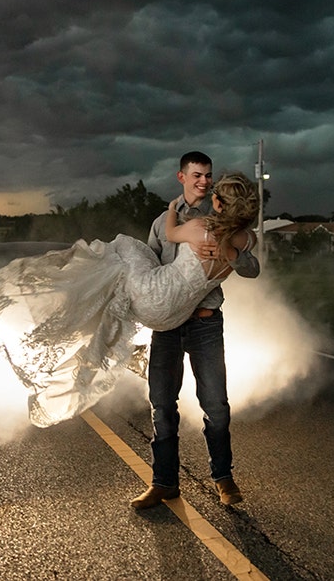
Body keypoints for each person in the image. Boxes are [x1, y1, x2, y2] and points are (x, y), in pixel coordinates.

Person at [0, 169, 260, 434]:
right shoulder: (242, 242)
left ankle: (74, 305)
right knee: (123, 271)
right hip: (171, 317)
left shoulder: (200, 228)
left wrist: (173, 209)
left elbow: (171, 233)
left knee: (125, 246)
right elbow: (249, 245)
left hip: (153, 295)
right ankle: (131, 346)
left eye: (215, 195)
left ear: (220, 205)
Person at [130, 152, 260, 511]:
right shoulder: (162, 223)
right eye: (198, 175)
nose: (204, 181)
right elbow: (151, 270)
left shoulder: (226, 224)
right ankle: (164, 484)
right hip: (169, 327)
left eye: (209, 176)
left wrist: (231, 253)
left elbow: (252, 267)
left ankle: (224, 478)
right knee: (161, 405)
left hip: (205, 323)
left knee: (216, 405)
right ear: (182, 177)